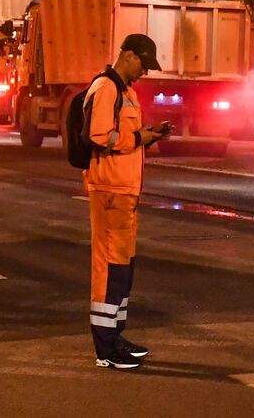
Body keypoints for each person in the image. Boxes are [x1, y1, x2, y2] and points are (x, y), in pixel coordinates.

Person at [85, 33, 172, 370]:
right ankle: (106, 350)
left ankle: (115, 335)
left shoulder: (126, 93)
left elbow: (121, 138)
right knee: (109, 270)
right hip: (109, 191)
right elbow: (99, 135)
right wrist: (140, 137)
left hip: (123, 192)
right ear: (129, 55)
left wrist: (148, 135)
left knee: (122, 270)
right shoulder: (106, 88)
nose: (144, 73)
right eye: (143, 65)